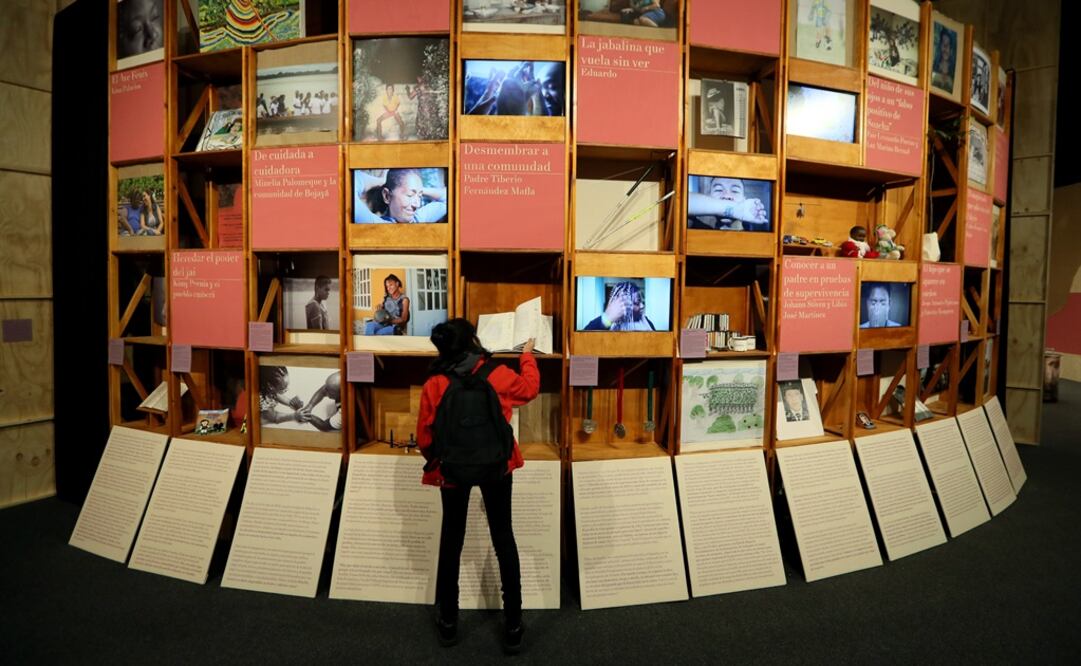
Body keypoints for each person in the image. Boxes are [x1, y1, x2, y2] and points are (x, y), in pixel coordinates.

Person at [416, 318, 539, 653]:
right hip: (497, 467)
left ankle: (448, 623)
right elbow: (529, 389)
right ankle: (513, 626)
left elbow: (425, 437)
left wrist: (443, 459)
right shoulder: (496, 374)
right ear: (472, 340)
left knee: (452, 539)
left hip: (452, 470)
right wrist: (527, 356)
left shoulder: (435, 382)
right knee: (504, 537)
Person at [354, 169, 448, 223]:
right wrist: (382, 181)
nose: (417, 205)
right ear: (387, 196)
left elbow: (449, 197)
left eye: (420, 196)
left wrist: (418, 190)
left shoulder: (418, 219)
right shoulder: (375, 224)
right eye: (410, 195)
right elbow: (351, 181)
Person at [687, 177, 768, 230]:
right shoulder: (697, 229)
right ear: (709, 197)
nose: (726, 196)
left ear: (744, 199)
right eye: (718, 190)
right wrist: (735, 209)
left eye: (735, 191)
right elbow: (683, 201)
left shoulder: (755, 238)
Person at [583, 281, 656, 331]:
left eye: (642, 302)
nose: (642, 306)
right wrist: (607, 319)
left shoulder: (647, 323)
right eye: (637, 303)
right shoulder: (603, 323)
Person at [932, 27, 955, 92]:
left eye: (948, 44)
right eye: (943, 43)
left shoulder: (953, 69)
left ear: (951, 48)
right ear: (940, 45)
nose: (945, 47)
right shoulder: (934, 65)